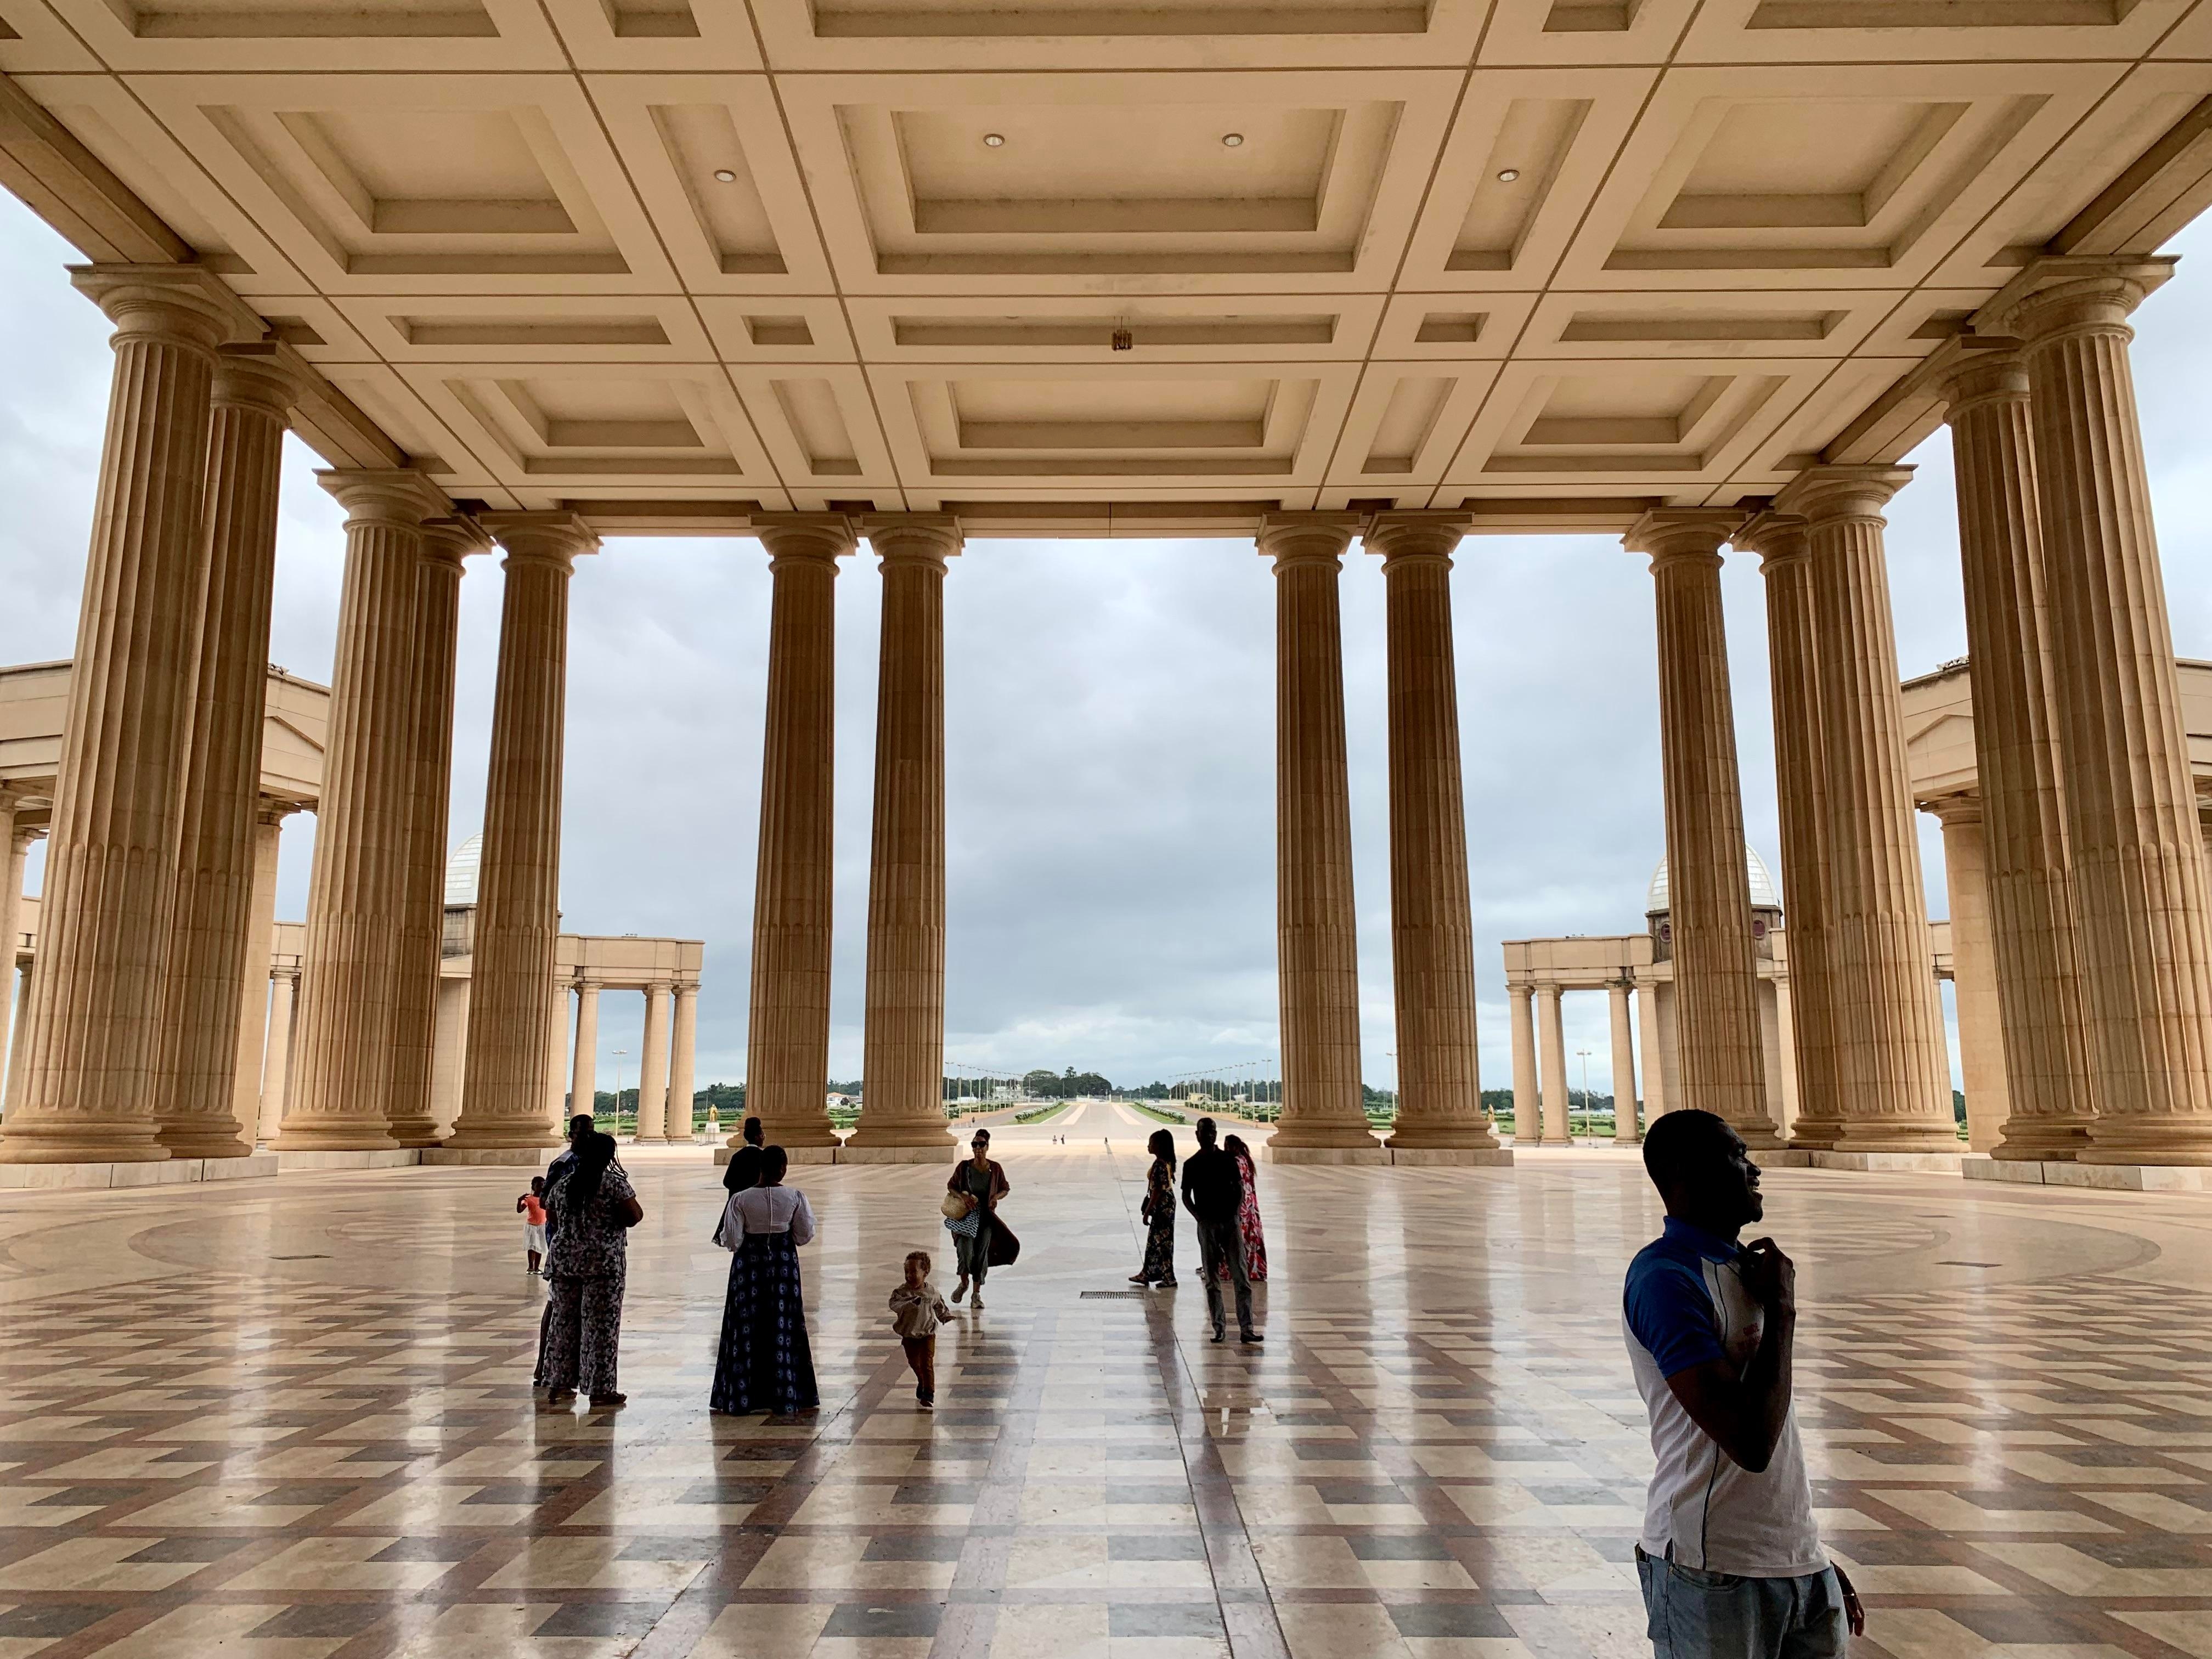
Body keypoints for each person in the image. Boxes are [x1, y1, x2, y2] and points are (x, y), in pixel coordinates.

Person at [1624, 1109, 1862, 1658]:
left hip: (1793, 1561)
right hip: (1711, 1569)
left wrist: (1803, 1552)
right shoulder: (1666, 1278)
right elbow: (1750, 1441)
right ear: (1687, 1173)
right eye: (1736, 1155)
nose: (1754, 1169)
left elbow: (1775, 1432)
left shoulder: (1742, 1267)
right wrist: (1782, 1311)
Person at [711, 1145, 820, 1416]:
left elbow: (733, 1239)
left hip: (749, 1269)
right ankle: (785, 1394)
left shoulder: (741, 1199)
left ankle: (744, 1397)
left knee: (746, 1325)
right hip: (783, 1267)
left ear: (759, 1168)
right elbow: (804, 1234)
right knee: (783, 1323)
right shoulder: (794, 1197)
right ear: (783, 1168)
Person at [538, 1131, 641, 1409]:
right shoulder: (613, 1185)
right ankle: (601, 1389)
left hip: (565, 1263)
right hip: (602, 1265)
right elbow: (634, 1216)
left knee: (563, 1322)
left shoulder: (564, 1185)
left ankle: (558, 1383)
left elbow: (553, 1217)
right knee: (601, 1327)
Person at [1181, 1117, 1260, 1345]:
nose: (1209, 1136)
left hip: (1229, 1222)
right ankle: (1219, 1326)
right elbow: (1186, 1196)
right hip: (1208, 1224)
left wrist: (1234, 1214)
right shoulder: (1192, 1164)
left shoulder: (1227, 1160)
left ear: (1216, 1134)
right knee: (1212, 1279)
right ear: (1197, 1135)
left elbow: (1239, 1189)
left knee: (1241, 1277)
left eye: (1212, 1132)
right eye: (1205, 1132)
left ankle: (1247, 1328)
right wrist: (1200, 1218)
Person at [945, 1128, 1010, 1308]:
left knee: (981, 1256)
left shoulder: (995, 1169)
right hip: (965, 1218)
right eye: (975, 1144)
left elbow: (1005, 1188)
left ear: (987, 1147)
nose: (978, 1148)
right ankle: (964, 1284)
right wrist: (962, 1197)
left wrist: (996, 1197)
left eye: (982, 1144)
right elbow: (951, 1186)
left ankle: (976, 1294)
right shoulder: (964, 1167)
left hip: (985, 1219)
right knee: (965, 1253)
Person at [889, 1249, 953, 1409]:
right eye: (906, 1272)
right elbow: (894, 1304)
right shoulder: (901, 1292)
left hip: (927, 1334)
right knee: (914, 1362)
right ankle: (922, 1381)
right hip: (909, 1334)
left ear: (925, 1272)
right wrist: (910, 1304)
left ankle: (928, 1393)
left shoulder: (931, 1292)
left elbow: (939, 1305)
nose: (909, 1276)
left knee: (927, 1363)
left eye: (913, 1272)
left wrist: (945, 1316)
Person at [1128, 1128, 1178, 1288]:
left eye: (1151, 1143)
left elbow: (1157, 1191)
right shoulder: (1167, 1162)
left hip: (1162, 1206)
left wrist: (1148, 1211)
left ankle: (1168, 1277)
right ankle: (1148, 1273)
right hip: (1167, 1205)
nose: (1148, 1146)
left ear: (1159, 1146)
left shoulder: (1159, 1165)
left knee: (1161, 1243)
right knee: (1158, 1241)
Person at [1220, 1133, 1267, 1283]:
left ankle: (1231, 1268)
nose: (1226, 1149)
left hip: (1239, 1205)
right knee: (1249, 1237)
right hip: (1250, 1205)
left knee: (1235, 1237)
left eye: (1228, 1146)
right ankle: (1252, 1268)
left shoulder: (1235, 1162)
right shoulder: (1246, 1161)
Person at [517, 1177, 548, 1275]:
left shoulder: (546, 1198)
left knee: (540, 1247)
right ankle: (530, 1267)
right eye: (538, 1186)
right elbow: (520, 1210)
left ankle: (537, 1268)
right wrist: (520, 1201)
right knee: (532, 1247)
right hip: (532, 1226)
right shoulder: (529, 1199)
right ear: (533, 1187)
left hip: (542, 1226)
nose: (541, 1188)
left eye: (543, 1185)